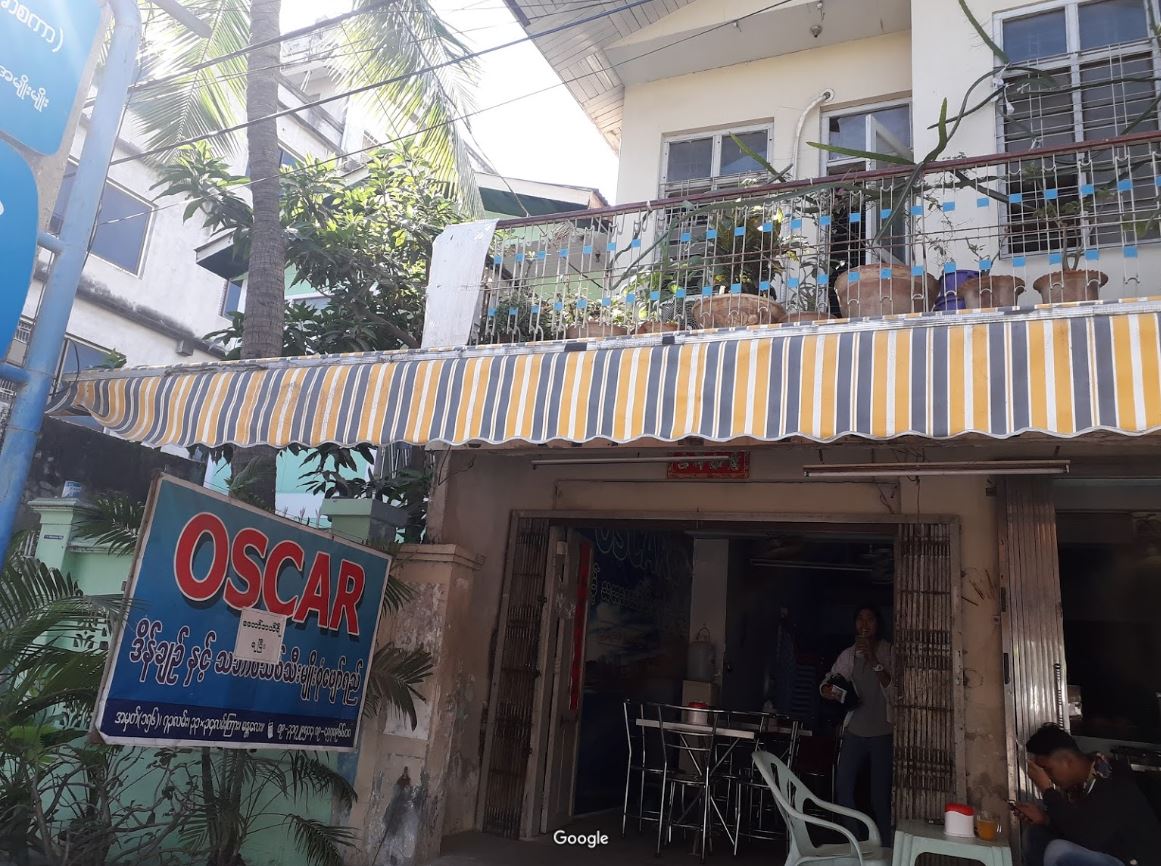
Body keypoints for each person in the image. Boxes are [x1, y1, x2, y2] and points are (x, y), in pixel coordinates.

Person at [1014, 723, 1161, 866]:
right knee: (1035, 836)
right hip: (1104, 853)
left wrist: (1047, 790)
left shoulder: (1111, 779)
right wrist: (1045, 819)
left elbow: (1085, 836)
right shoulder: (1079, 788)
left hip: (1131, 861)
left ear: (1068, 760)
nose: (1048, 777)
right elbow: (1076, 828)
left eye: (1048, 770)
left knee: (1058, 851)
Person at [820, 605, 893, 844]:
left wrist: (873, 659)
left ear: (878, 624)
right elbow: (830, 680)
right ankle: (856, 842)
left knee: (879, 796)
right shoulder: (849, 655)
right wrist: (827, 690)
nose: (864, 624)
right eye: (860, 619)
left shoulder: (888, 651)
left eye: (870, 619)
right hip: (855, 730)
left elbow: (896, 691)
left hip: (882, 732)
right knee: (843, 788)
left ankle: (886, 848)